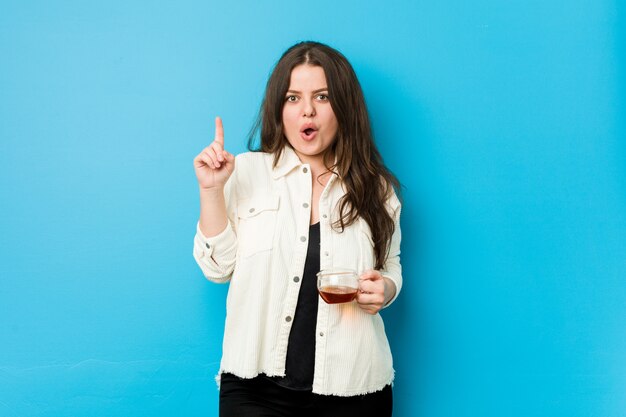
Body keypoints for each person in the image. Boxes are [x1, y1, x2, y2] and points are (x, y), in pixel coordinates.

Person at [192, 41, 402, 417]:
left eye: (322, 96)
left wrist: (385, 289)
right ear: (279, 108)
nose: (307, 109)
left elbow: (391, 267)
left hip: (353, 387)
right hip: (255, 389)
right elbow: (216, 269)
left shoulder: (377, 188)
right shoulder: (245, 171)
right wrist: (211, 191)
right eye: (293, 98)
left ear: (344, 106)